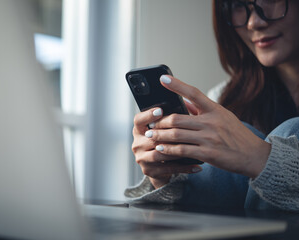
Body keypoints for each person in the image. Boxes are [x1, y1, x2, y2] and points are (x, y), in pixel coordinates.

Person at [125, 0, 299, 212]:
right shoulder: (224, 100)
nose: (254, 22)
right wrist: (164, 179)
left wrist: (262, 158)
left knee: (291, 130)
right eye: (237, 5)